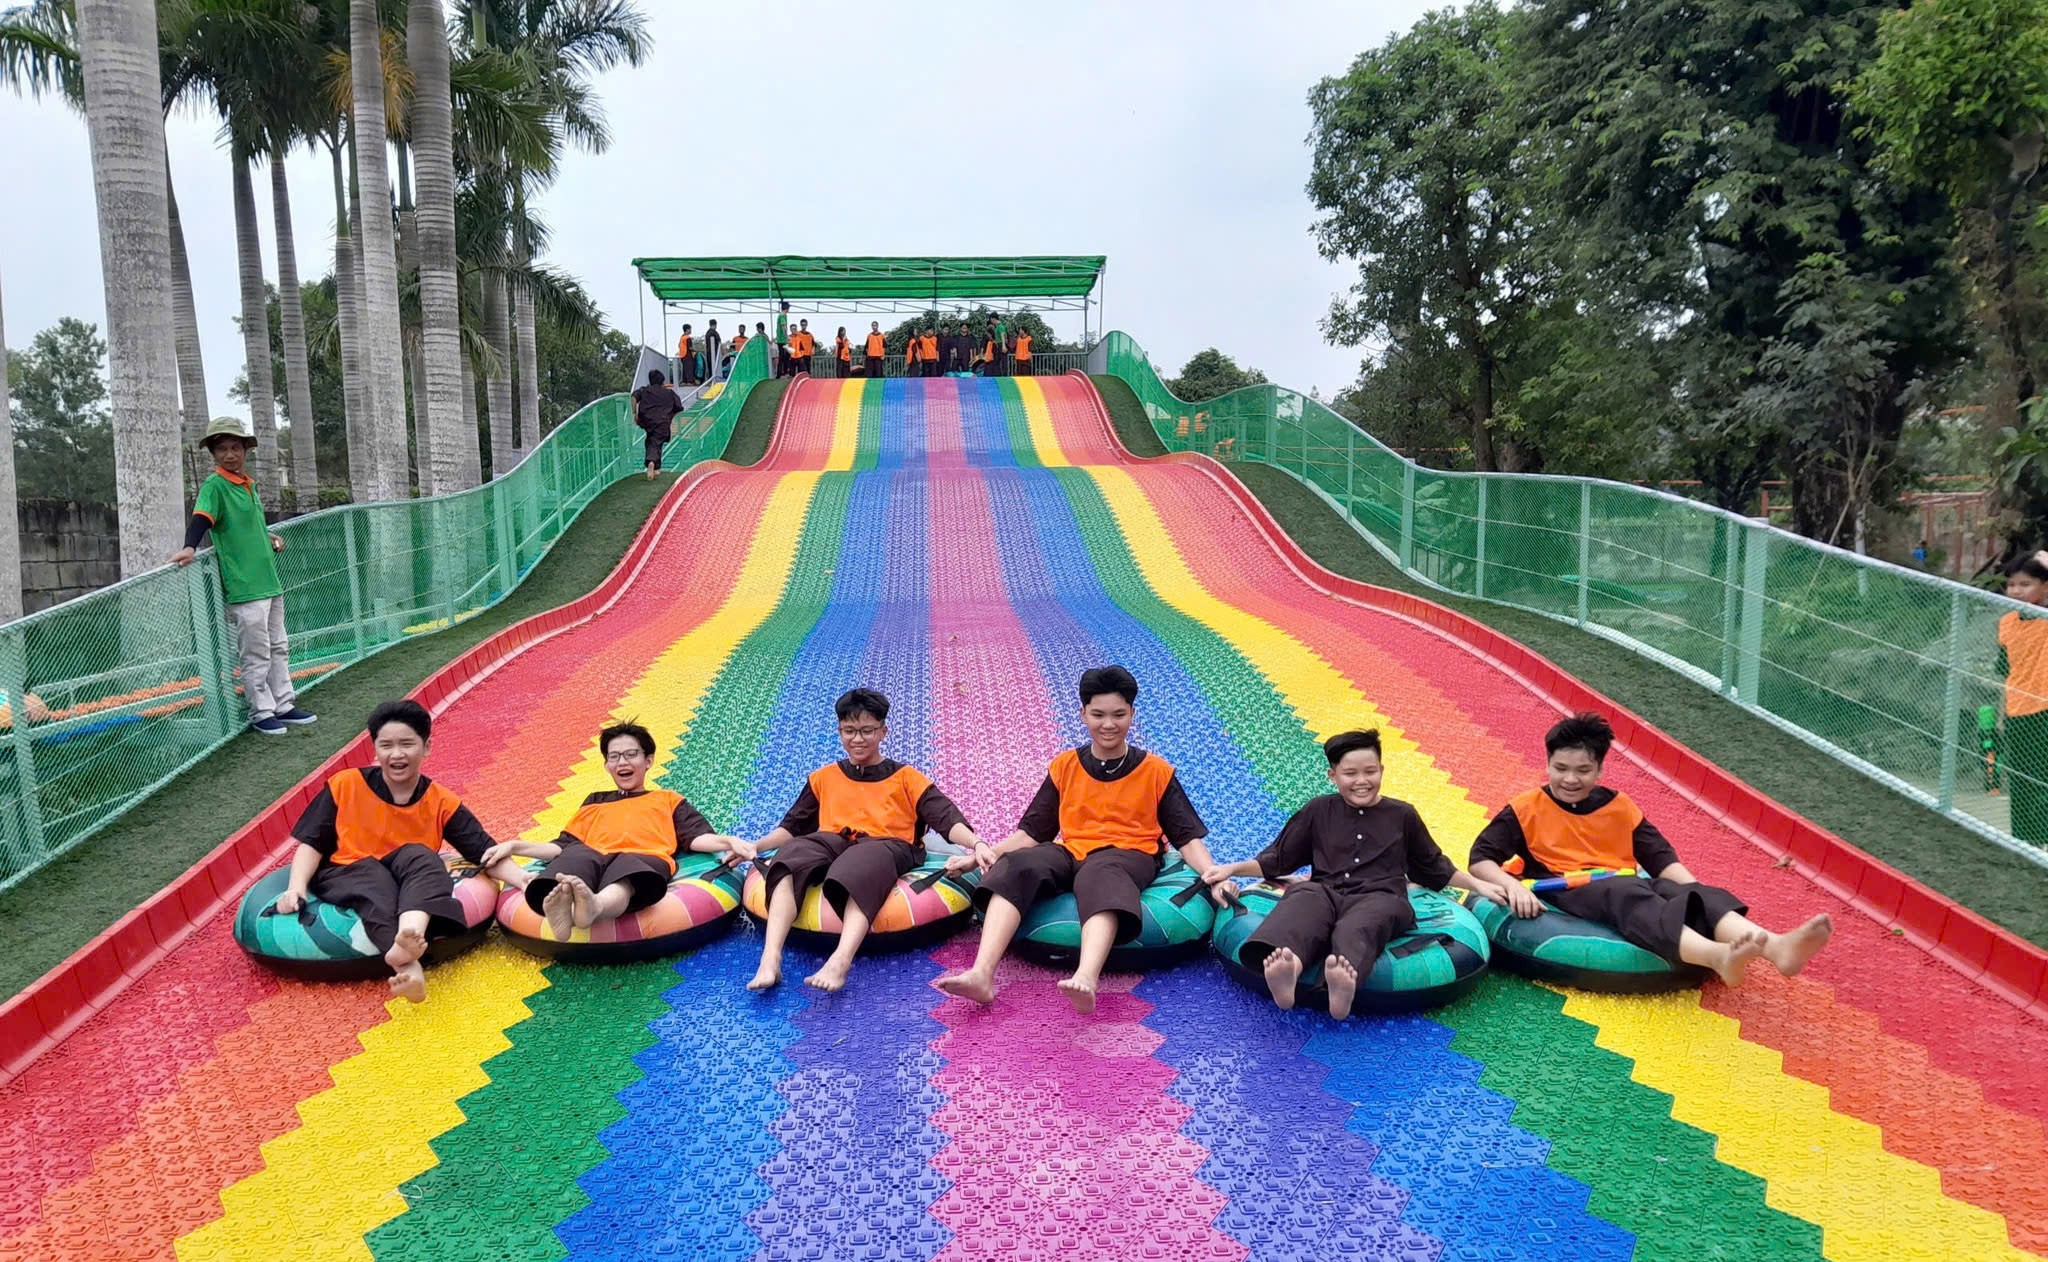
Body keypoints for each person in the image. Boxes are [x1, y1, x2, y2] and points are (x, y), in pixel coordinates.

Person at [936, 666, 1228, 1014]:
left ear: (1132, 714)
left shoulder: (1156, 771)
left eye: (1119, 715)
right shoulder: (1065, 766)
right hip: (1072, 850)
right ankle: (982, 974)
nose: (1109, 724)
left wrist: (1214, 875)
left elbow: (1187, 838)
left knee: (1100, 872)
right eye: (1098, 715)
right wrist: (985, 854)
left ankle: (1086, 977)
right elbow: (1032, 833)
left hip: (1129, 853)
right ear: (1083, 714)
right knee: (1019, 865)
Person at [1466, 712, 1833, 987]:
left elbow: (1660, 858)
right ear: (1547, 764)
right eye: (1560, 768)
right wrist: (1511, 886)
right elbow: (1480, 858)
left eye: (1583, 770)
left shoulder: (1620, 807)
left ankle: (1776, 948)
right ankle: (1716, 956)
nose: (1570, 779)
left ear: (1600, 771)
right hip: (1564, 885)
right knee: (1626, 892)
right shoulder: (1526, 808)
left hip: (1619, 878)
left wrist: (1694, 893)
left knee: (1691, 893)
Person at [1201, 730, 1508, 1018]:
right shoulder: (1318, 810)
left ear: (1381, 770)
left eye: (1370, 772)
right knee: (1302, 896)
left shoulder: (1402, 815)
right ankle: (1289, 968)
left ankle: (1342, 982)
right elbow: (1279, 859)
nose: (1362, 781)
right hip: (1325, 891)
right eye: (1350, 774)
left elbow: (1433, 866)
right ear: (1333, 776)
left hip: (1382, 896)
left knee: (1362, 923)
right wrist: (1233, 868)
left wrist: (1478, 885)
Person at [274, 700, 529, 1002]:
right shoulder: (345, 784)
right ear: (375, 749)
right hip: (346, 870)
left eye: (407, 744)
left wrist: (523, 880)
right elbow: (312, 843)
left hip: (405, 872)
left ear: (426, 747)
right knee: (374, 876)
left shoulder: (440, 801)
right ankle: (407, 964)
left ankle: (409, 939)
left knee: (423, 856)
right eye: (386, 745)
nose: (396, 754)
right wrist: (296, 889)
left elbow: (484, 851)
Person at [746, 689, 983, 992]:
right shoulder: (823, 777)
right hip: (834, 841)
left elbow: (947, 819)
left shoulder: (907, 778)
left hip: (889, 845)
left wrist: (976, 844)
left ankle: (840, 960)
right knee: (791, 855)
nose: (857, 739)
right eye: (849, 731)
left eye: (867, 731)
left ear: (883, 731)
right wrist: (756, 846)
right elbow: (791, 828)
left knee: (858, 863)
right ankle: (770, 958)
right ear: (839, 731)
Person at [482, 721, 750, 939]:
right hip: (592, 855)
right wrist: (514, 846)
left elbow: (695, 837)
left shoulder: (667, 799)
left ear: (648, 760)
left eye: (631, 755)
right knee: (575, 858)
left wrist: (728, 841)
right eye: (614, 757)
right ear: (607, 765)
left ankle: (595, 906)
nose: (622, 762)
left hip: (643, 857)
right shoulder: (594, 801)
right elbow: (562, 846)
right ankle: (567, 903)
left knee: (627, 875)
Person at [170, 417, 315, 737]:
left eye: (235, 447)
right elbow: (203, 517)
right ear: (213, 453)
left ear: (245, 450)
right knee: (256, 651)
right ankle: (261, 710)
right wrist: (189, 546)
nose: (230, 454)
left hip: (269, 580)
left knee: (279, 645)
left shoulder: (248, 484)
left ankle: (284, 704)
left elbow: (247, 526)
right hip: (244, 586)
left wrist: (268, 537)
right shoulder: (215, 486)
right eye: (222, 449)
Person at [2000, 553, 2048, 841]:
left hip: (2045, 709)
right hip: (2017, 709)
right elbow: (2004, 666)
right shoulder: (2007, 622)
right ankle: (2022, 840)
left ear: (2045, 586)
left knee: (2043, 779)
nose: (2016, 591)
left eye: (2026, 584)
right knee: (2019, 779)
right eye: (2012, 584)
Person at [631, 369, 684, 480]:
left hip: (646, 420)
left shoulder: (644, 390)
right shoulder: (669, 393)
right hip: (662, 421)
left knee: (652, 440)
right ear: (662, 381)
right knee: (657, 441)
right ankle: (651, 463)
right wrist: (670, 417)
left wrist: (634, 413)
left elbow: (633, 397)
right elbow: (679, 407)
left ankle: (655, 467)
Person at [776, 301, 792, 377]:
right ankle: (781, 374)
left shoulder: (782, 315)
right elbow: (783, 326)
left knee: (785, 356)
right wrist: (787, 336)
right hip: (782, 340)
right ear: (787, 308)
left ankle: (784, 373)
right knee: (783, 357)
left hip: (781, 339)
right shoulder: (782, 315)